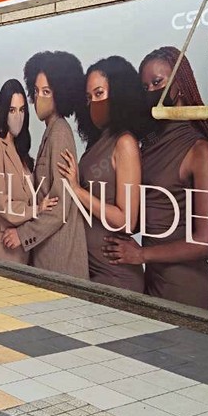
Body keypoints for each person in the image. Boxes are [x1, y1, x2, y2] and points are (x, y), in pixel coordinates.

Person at [103, 46, 208, 309]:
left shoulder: (199, 151)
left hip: (187, 288)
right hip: (153, 283)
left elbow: (207, 241)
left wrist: (141, 254)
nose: (151, 92)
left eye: (157, 82)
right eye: (145, 87)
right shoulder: (150, 144)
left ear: (180, 85)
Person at [57, 57, 147, 292]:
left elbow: (126, 220)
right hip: (90, 268)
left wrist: (77, 191)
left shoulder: (125, 143)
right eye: (89, 98)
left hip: (115, 274)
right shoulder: (98, 141)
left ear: (119, 93)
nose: (93, 103)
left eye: (99, 94)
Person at [1, 51, 90, 278]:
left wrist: (22, 234)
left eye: (47, 91)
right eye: (37, 90)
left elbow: (60, 208)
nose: (39, 98)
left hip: (59, 256)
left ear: (61, 94)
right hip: (47, 252)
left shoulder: (59, 133)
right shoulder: (51, 130)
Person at [0, 79, 57, 264]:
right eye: (12, 110)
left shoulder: (21, 150)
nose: (17, 116)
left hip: (26, 244)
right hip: (7, 243)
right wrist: (37, 209)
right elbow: (0, 203)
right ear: (4, 111)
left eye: (22, 110)